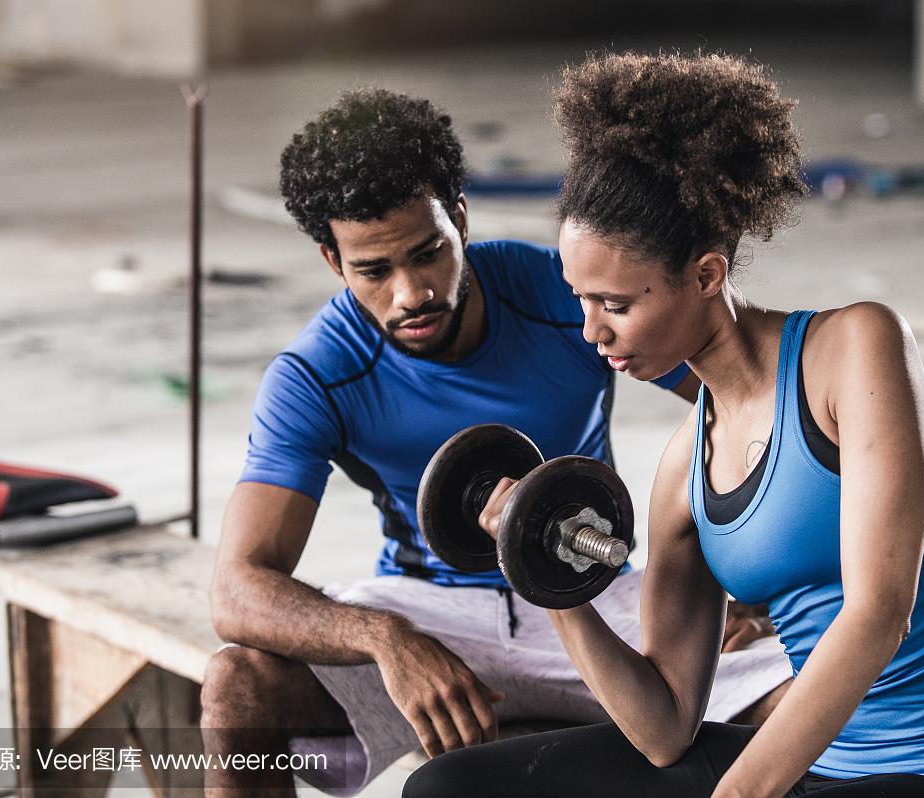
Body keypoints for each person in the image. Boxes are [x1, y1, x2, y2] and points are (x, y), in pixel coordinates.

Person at [404, 53, 924, 798]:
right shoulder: (685, 468)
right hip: (816, 772)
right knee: (450, 788)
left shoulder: (854, 350)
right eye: (580, 300)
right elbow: (664, 726)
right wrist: (544, 573)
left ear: (707, 275)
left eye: (616, 305)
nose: (592, 333)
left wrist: (737, 795)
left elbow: (879, 616)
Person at [200, 88, 796, 797]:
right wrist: (387, 640)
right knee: (237, 688)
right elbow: (237, 589)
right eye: (374, 270)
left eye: (428, 254)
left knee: (806, 703)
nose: (412, 293)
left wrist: (745, 578)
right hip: (431, 611)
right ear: (334, 260)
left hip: (596, 589)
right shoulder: (317, 374)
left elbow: (751, 405)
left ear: (459, 218)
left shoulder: (564, 298)